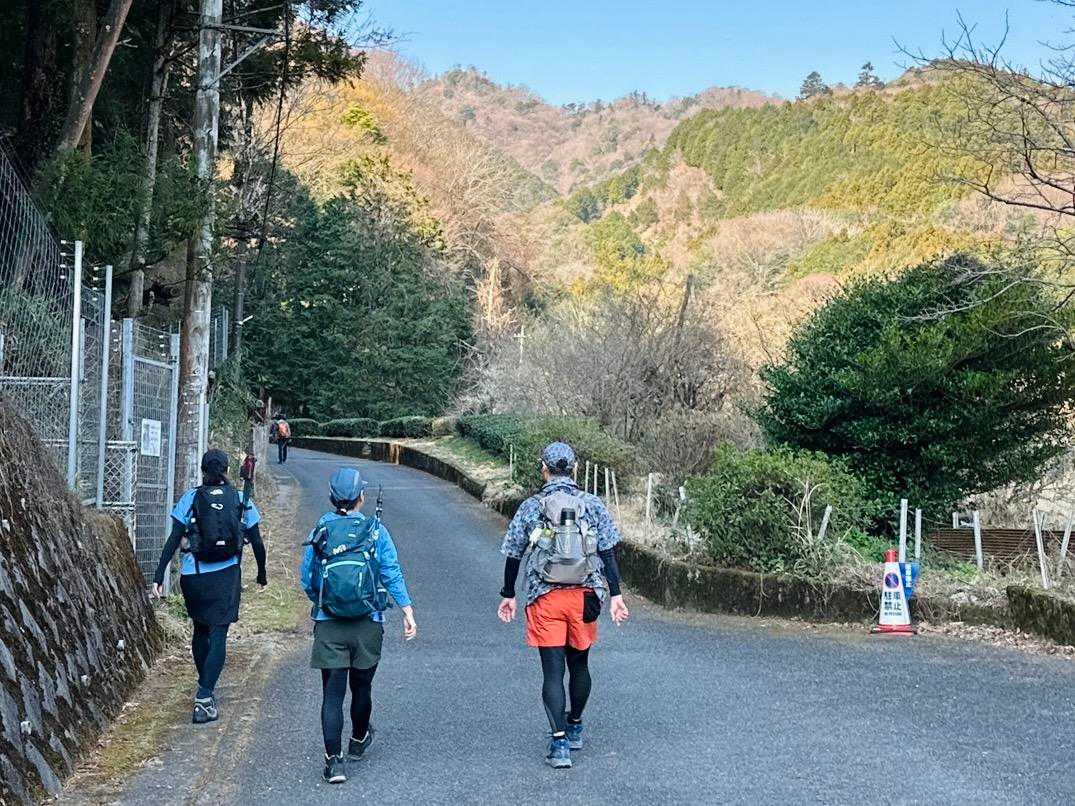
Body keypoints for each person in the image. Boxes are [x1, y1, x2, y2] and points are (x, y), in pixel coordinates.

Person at [498, 442, 629, 769]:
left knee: (553, 672)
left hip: (546, 598)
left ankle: (558, 746)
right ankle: (575, 726)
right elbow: (608, 551)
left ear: (543, 468)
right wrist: (615, 595)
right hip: (585, 597)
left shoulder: (532, 506)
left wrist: (508, 594)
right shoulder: (592, 504)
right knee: (580, 665)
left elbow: (514, 552)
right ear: (575, 468)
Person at [300, 467, 417, 784]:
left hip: (329, 623)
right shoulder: (375, 530)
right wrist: (407, 610)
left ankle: (334, 763)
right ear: (361, 497)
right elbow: (391, 572)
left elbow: (307, 578)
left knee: (332, 694)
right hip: (368, 621)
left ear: (331, 496)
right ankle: (358, 739)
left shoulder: (322, 528)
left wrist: (323, 601)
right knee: (362, 687)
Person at [151, 448, 267, 724]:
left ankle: (206, 685)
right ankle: (204, 695)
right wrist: (261, 574)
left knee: (200, 629)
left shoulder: (191, 498)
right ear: (226, 470)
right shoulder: (241, 500)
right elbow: (257, 542)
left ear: (202, 470)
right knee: (219, 634)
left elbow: (173, 539)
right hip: (226, 575)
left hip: (193, 577)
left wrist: (158, 575)